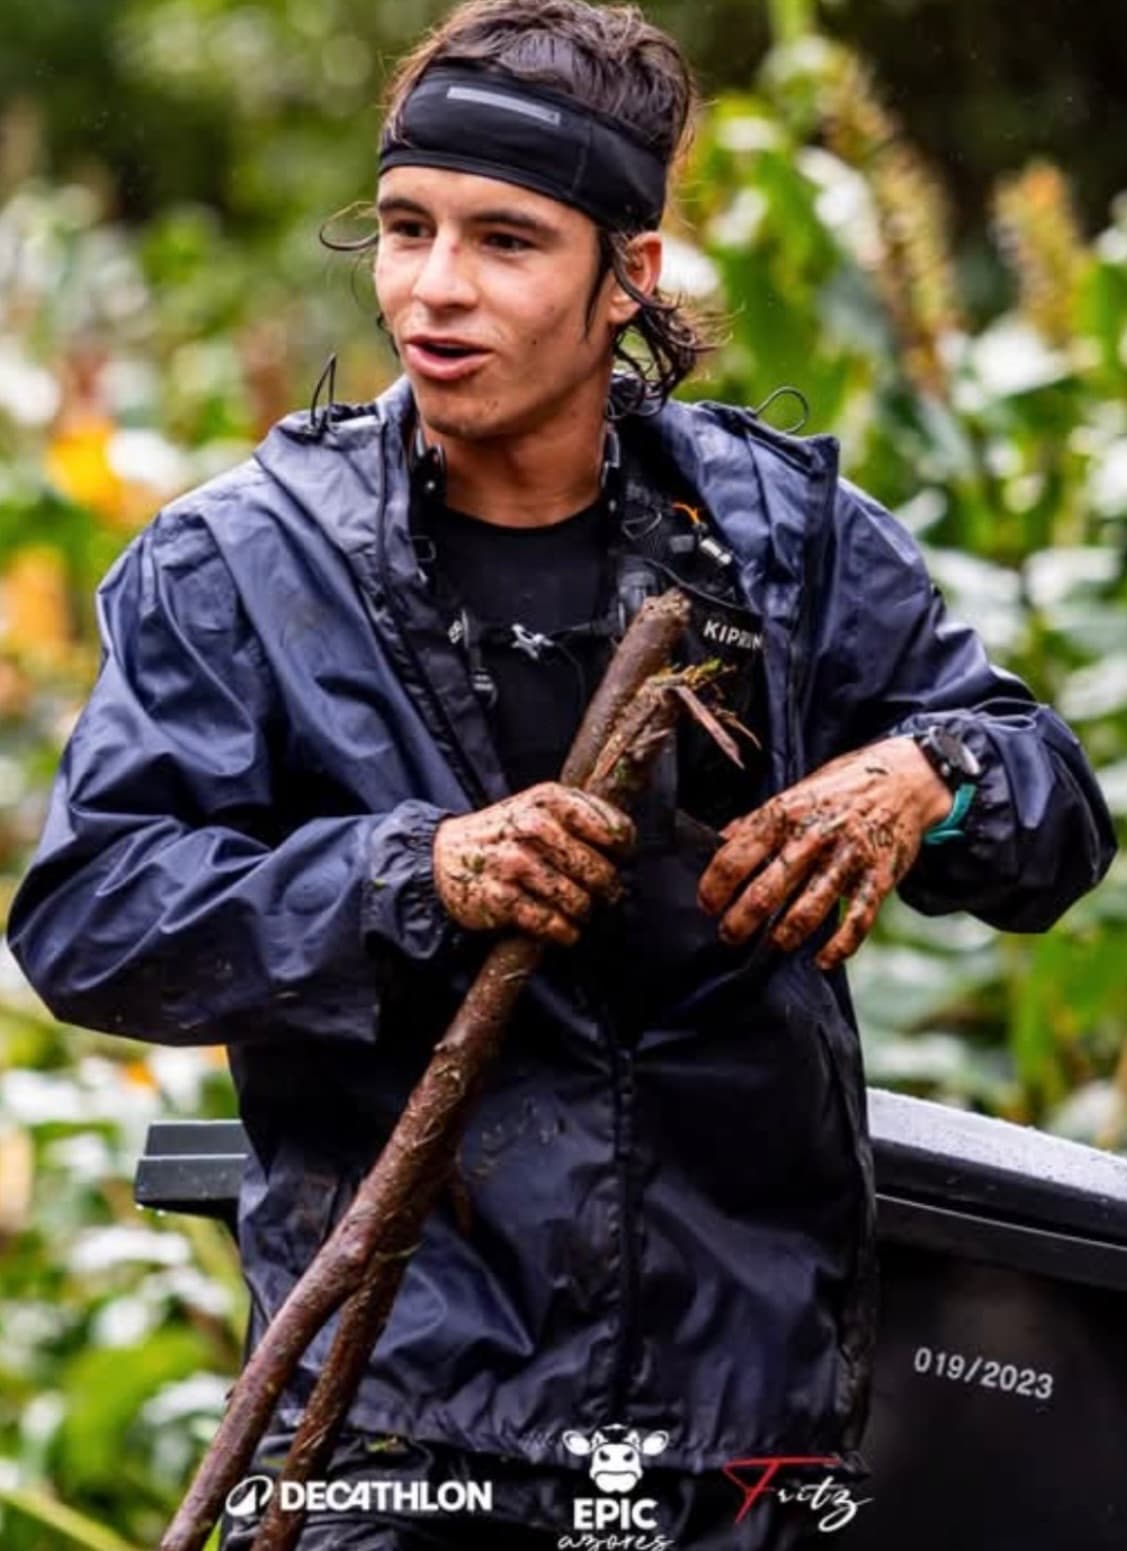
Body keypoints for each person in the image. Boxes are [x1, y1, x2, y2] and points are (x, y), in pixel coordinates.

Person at [7, 1, 1116, 1547]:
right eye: (405, 229)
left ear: (629, 279)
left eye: (506, 241)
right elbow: (89, 919)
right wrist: (418, 874)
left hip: (747, 1443)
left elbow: (1052, 810)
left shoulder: (777, 545)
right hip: (395, 1434)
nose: (433, 289)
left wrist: (932, 772)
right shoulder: (247, 565)